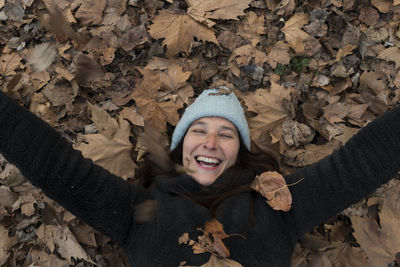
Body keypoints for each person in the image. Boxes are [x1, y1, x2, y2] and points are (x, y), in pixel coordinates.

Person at [0, 87, 400, 267]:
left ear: (239, 153)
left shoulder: (280, 205)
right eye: (198, 130)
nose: (210, 142)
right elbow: (53, 163)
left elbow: (361, 162)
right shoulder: (138, 211)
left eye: (226, 134)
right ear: (179, 148)